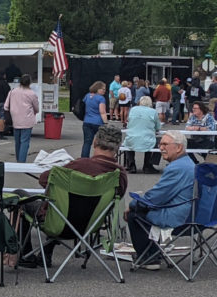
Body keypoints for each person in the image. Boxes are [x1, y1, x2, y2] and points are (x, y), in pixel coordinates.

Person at [17, 124, 128, 268]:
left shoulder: (78, 165)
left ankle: (26, 255)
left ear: (95, 142)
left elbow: (44, 179)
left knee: (22, 196)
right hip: (91, 225)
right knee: (62, 203)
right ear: (118, 147)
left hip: (59, 222)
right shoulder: (119, 175)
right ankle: (45, 252)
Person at [124, 130, 195, 270]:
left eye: (165, 144)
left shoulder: (177, 168)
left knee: (135, 214)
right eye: (160, 144)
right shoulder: (189, 163)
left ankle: (148, 258)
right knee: (143, 207)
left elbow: (155, 198)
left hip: (181, 219)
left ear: (179, 147)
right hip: (197, 215)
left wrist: (133, 205)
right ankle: (152, 254)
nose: (160, 147)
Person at [4, 74, 39, 163]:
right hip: (27, 120)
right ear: (29, 83)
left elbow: (6, 106)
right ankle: (21, 161)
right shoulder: (31, 93)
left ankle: (18, 160)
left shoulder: (12, 92)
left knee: (17, 142)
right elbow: (36, 108)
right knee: (25, 142)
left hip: (15, 119)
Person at [123, 96, 161, 174]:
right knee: (159, 142)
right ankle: (148, 165)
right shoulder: (153, 112)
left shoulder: (133, 109)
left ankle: (131, 164)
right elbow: (158, 127)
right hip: (147, 138)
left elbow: (128, 121)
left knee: (128, 143)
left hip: (132, 138)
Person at [81, 81, 108, 158]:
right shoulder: (101, 98)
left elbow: (83, 106)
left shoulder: (87, 96)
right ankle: (99, 158)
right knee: (100, 143)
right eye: (102, 89)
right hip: (98, 123)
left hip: (87, 121)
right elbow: (102, 112)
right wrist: (106, 123)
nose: (104, 91)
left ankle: (84, 160)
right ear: (97, 89)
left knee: (87, 142)